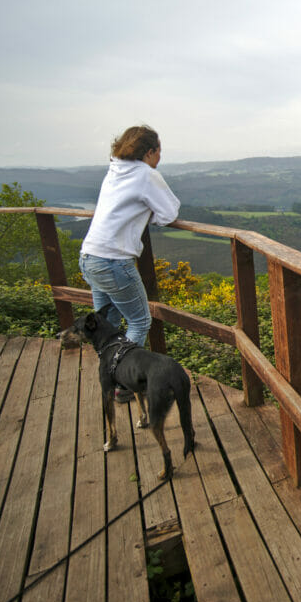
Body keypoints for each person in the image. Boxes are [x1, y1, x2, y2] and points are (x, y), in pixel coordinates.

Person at [79, 124, 180, 401]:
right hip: (113, 261)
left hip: (89, 256)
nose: (160, 158)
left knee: (105, 323)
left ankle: (109, 379)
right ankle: (125, 384)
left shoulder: (115, 170)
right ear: (149, 152)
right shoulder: (147, 174)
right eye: (159, 152)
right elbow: (169, 211)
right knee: (140, 320)